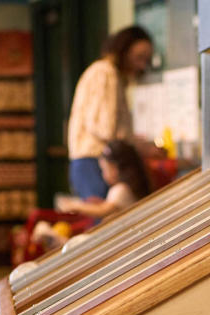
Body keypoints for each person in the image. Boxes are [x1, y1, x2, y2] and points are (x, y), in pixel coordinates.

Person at [66, 24, 154, 201]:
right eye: (139, 57)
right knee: (105, 221)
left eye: (146, 59)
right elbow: (105, 128)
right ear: (124, 48)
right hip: (94, 161)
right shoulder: (105, 73)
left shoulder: (110, 75)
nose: (141, 65)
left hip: (93, 161)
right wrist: (137, 145)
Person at [57, 139, 152, 218]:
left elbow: (102, 211)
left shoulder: (120, 189)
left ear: (115, 169)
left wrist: (75, 206)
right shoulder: (127, 188)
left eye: (104, 170)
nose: (103, 175)